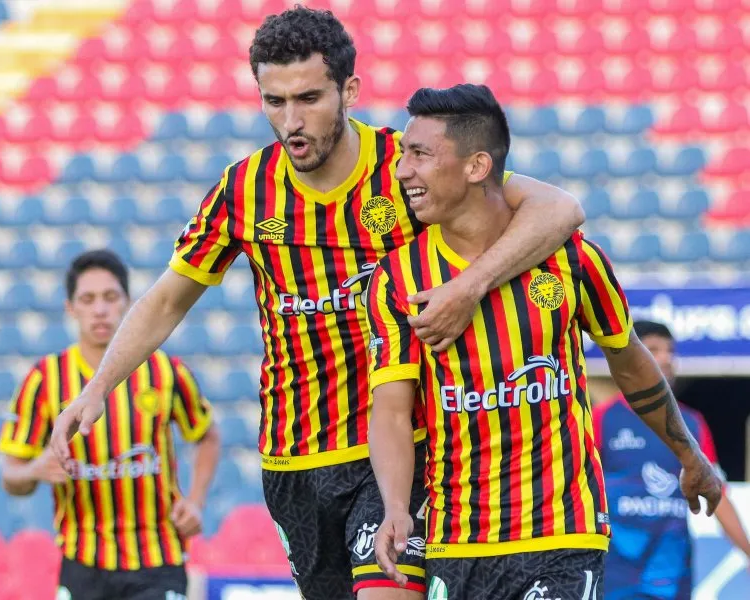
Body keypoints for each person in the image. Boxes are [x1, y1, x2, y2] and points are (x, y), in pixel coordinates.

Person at [49, 7, 588, 599]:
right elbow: (169, 298)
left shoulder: (407, 169)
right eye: (274, 102)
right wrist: (98, 386)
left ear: (349, 90)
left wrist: (467, 286)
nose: (291, 121)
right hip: (295, 458)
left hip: (399, 445)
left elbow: (558, 210)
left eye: (308, 98)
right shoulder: (245, 190)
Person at [365, 84, 724, 600]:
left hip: (562, 529)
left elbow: (628, 360)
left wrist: (689, 456)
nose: (402, 171)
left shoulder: (572, 259)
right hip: (458, 539)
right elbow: (393, 409)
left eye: (420, 154)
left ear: (476, 166)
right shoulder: (397, 277)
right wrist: (396, 507)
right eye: (403, 153)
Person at [0, 249, 220, 600]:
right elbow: (11, 478)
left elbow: (206, 436)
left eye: (110, 297)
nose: (100, 309)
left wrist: (196, 502)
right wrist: (34, 471)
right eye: (87, 299)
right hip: (83, 562)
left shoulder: (167, 372)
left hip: (157, 559)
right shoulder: (44, 380)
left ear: (128, 303)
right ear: (71, 308)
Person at [593, 319, 750, 600]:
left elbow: (717, 493)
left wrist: (747, 551)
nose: (665, 359)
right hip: (614, 573)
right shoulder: (602, 418)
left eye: (670, 351)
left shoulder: (692, 423)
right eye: (653, 350)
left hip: (670, 574)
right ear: (632, 359)